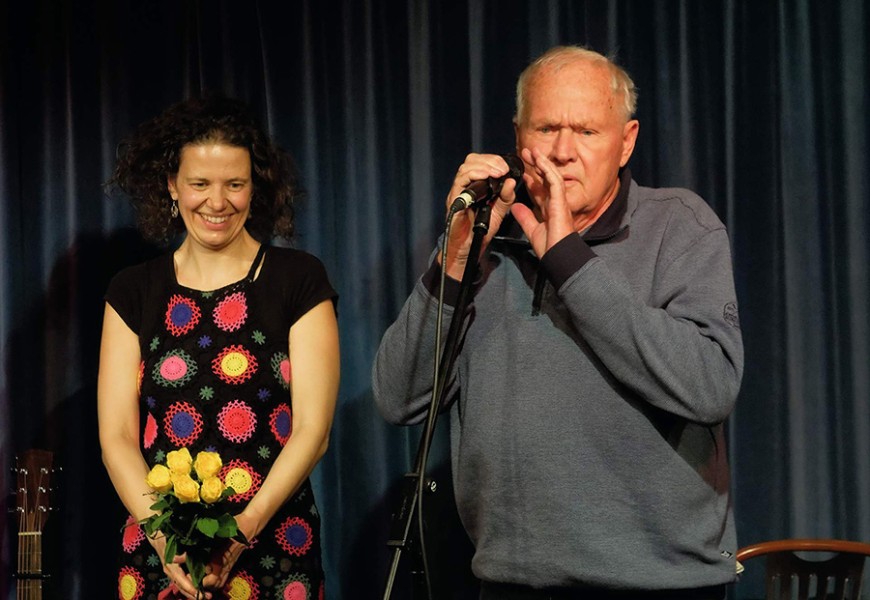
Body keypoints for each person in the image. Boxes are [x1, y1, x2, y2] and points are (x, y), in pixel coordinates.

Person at [372, 45, 743, 598]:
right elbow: (399, 398)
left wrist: (568, 259)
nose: (563, 152)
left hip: (658, 583)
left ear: (626, 142)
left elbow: (710, 386)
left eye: (587, 131)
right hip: (511, 581)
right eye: (546, 128)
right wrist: (454, 259)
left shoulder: (679, 226)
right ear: (518, 136)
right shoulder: (484, 241)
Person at [99, 95, 339, 600]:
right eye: (200, 184)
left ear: (255, 186)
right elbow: (117, 437)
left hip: (272, 544)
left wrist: (243, 530)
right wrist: (163, 539)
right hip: (161, 554)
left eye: (234, 184)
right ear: (172, 185)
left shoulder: (297, 279)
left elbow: (312, 431)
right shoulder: (133, 290)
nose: (217, 202)